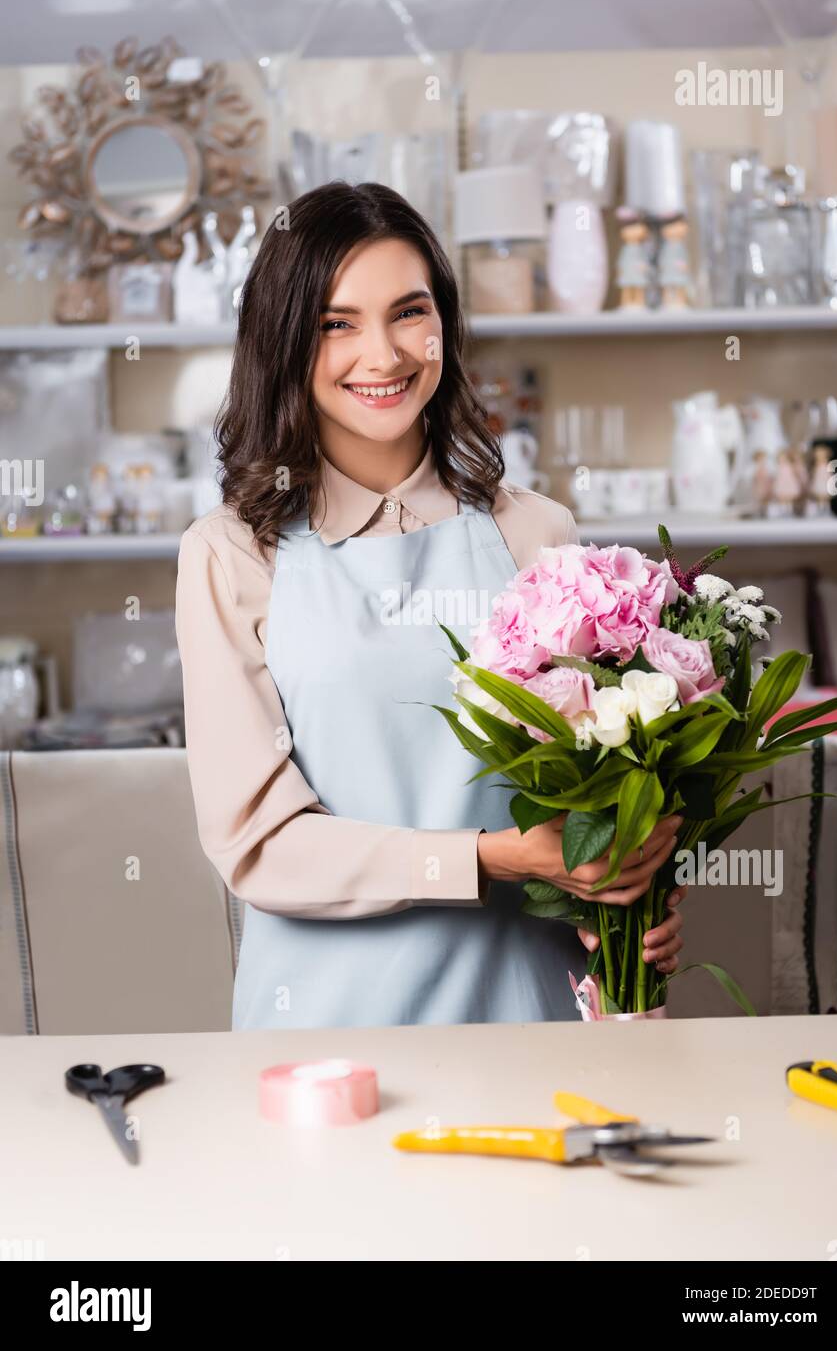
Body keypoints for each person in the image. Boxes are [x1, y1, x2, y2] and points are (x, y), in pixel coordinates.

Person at [174, 180, 686, 1030]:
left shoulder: (536, 530)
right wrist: (493, 859)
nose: (382, 356)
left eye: (409, 312)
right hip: (333, 1023)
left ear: (444, 323)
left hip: (532, 1005)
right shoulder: (230, 552)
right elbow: (259, 846)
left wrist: (630, 896)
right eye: (336, 323)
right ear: (282, 340)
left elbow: (595, 793)